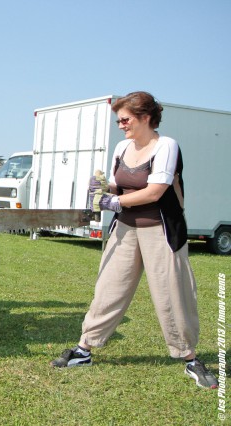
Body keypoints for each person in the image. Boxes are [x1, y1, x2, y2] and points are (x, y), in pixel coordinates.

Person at [50, 91, 219, 389]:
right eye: (119, 120)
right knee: (108, 289)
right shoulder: (122, 147)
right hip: (125, 230)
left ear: (145, 117)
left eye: (125, 119)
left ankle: (190, 358)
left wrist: (116, 202)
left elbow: (155, 191)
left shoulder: (166, 146)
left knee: (173, 295)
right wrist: (104, 186)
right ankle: (84, 349)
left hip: (161, 231)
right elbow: (120, 183)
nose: (121, 125)